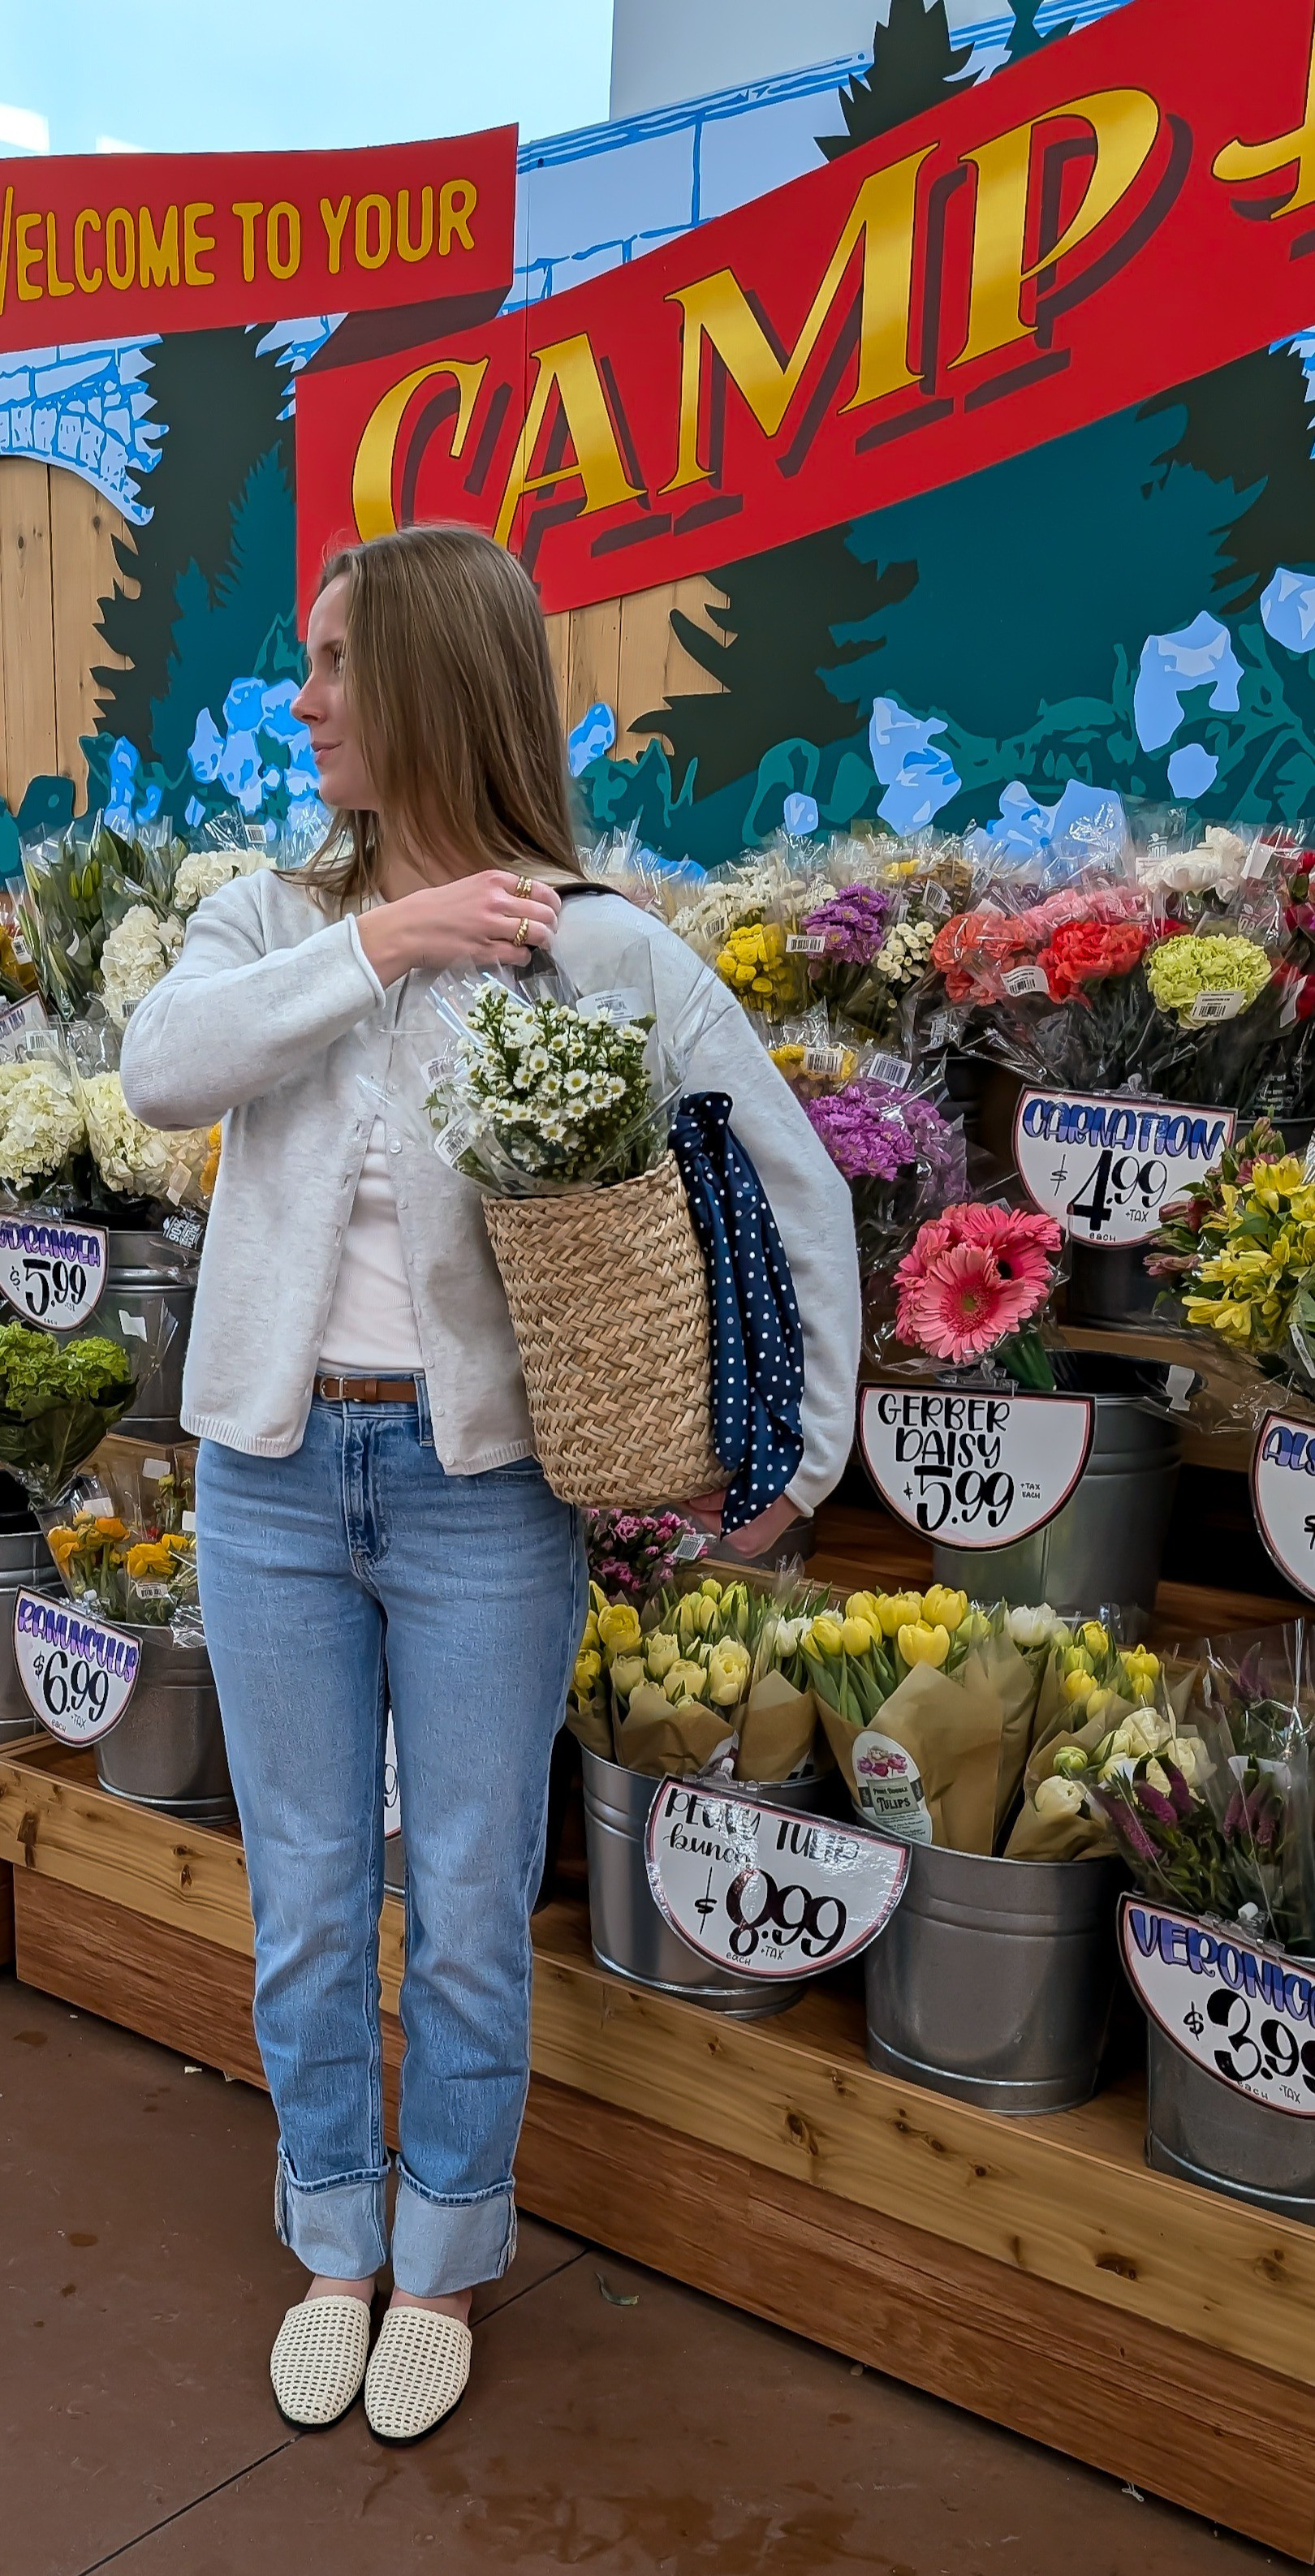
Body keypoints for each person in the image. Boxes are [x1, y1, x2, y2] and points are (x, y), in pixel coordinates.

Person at [121, 523, 859, 2445]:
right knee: (300, 1893)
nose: (305, 699)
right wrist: (382, 939)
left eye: (340, 661)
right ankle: (331, 2244)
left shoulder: (597, 945)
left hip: (477, 1498)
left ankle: (441, 2253)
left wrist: (802, 1450)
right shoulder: (261, 917)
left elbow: (798, 1186)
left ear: (439, 678)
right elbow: (161, 1073)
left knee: (456, 1898)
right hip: (270, 1480)